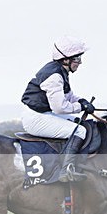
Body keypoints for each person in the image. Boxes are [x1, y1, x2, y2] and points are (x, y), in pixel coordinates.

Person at [21, 36, 95, 182]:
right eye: (77, 59)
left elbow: (69, 96)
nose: (80, 63)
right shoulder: (55, 75)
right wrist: (80, 106)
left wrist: (81, 100)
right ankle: (65, 171)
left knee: (80, 123)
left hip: (44, 114)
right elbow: (60, 107)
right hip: (36, 118)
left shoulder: (61, 71)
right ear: (66, 59)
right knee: (80, 131)